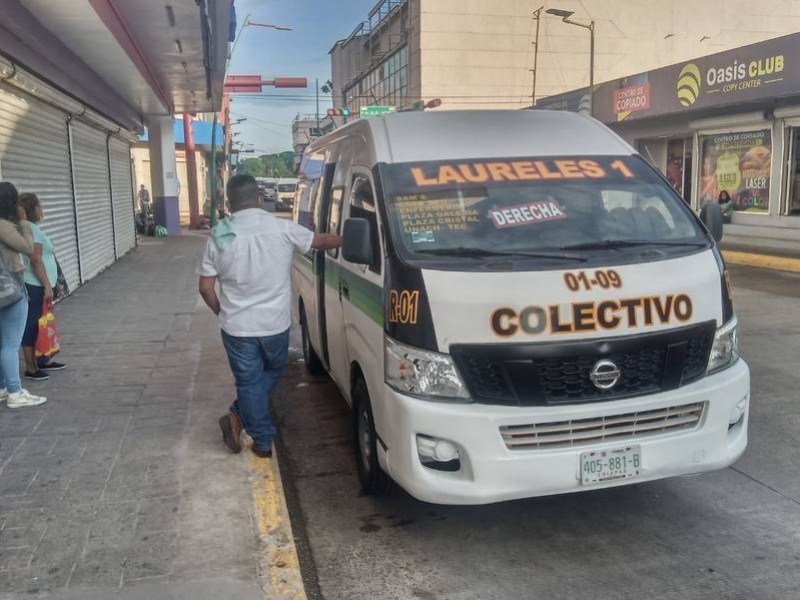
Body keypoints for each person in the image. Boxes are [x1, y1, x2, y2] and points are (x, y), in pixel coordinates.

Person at [198, 174, 341, 457]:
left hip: (237, 328)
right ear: (260, 199)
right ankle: (262, 440)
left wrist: (221, 311)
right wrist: (353, 237)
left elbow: (205, 288)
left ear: (230, 203)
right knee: (272, 371)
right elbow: (321, 241)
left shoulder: (218, 235)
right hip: (275, 325)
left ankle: (240, 415)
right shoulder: (282, 228)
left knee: (249, 382)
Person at [0, 183, 46, 408]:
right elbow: (28, 248)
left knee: (2, 342)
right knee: (10, 343)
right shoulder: (4, 226)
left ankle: (3, 387)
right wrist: (24, 222)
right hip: (10, 291)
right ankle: (15, 392)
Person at [19, 193, 66, 381]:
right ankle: (31, 367)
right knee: (32, 324)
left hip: (38, 283)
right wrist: (47, 285)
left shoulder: (31, 228)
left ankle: (44, 359)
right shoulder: (30, 229)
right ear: (33, 209)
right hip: (35, 284)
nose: (42, 209)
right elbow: (36, 259)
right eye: (39, 206)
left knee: (43, 323)